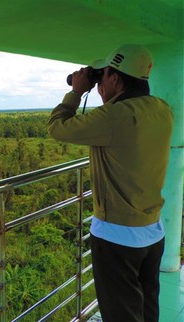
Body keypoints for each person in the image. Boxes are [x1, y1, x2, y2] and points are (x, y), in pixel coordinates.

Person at [48, 44, 173, 322]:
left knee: (121, 314)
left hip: (118, 236)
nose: (100, 83)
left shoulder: (116, 116)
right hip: (153, 230)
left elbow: (57, 127)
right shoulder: (161, 109)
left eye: (102, 76)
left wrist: (78, 90)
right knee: (146, 307)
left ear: (116, 79)